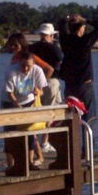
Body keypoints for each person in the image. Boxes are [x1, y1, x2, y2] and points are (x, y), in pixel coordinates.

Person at [0, 51, 48, 168]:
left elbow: (41, 91)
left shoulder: (37, 70)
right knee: (10, 132)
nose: (25, 68)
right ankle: (11, 164)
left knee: (30, 132)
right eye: (23, 65)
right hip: (10, 102)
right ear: (19, 63)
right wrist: (18, 107)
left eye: (29, 66)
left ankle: (29, 162)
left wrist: (38, 91)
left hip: (29, 101)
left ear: (33, 64)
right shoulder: (11, 72)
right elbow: (10, 93)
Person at [59, 14, 98, 120]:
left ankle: (73, 136)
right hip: (85, 86)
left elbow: (61, 24)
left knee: (71, 120)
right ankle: (88, 136)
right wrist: (84, 19)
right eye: (83, 27)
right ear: (81, 28)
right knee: (89, 119)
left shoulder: (65, 41)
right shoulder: (85, 41)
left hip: (70, 86)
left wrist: (68, 18)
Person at [28, 23, 64, 152]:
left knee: (36, 111)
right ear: (51, 35)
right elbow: (61, 60)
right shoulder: (53, 48)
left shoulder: (32, 48)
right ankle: (44, 142)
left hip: (34, 83)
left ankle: (34, 142)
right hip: (50, 82)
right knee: (50, 112)